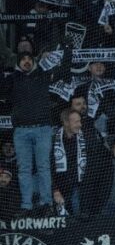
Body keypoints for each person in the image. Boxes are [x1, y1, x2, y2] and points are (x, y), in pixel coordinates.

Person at [2, 48, 71, 212]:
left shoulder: (43, 75)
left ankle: (46, 203)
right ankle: (26, 205)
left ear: (33, 61)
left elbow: (63, 71)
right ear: (18, 63)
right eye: (22, 59)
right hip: (21, 131)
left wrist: (68, 50)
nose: (26, 61)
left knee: (43, 167)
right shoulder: (12, 79)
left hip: (42, 130)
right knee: (24, 169)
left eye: (29, 59)